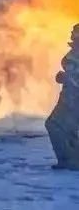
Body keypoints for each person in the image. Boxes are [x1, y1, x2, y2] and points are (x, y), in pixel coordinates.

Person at [47, 24, 79, 169]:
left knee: (56, 125)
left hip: (74, 99)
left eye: (75, 32)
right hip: (67, 96)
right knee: (58, 126)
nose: (72, 34)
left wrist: (67, 78)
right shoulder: (74, 51)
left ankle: (71, 160)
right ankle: (69, 159)